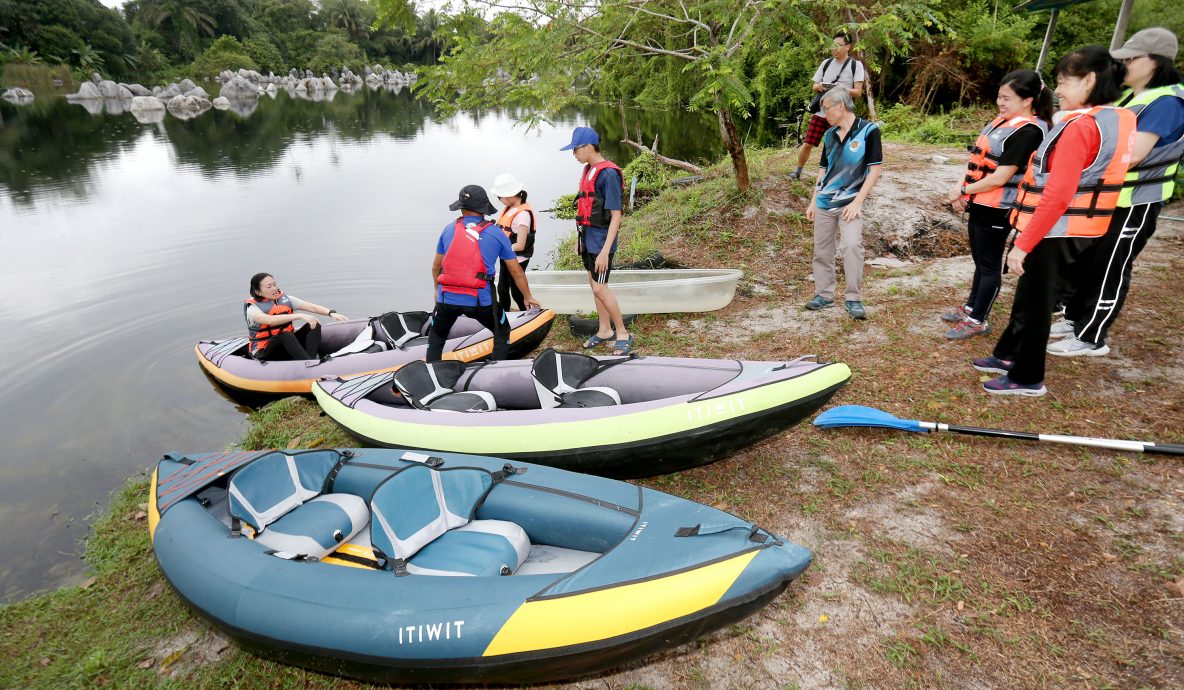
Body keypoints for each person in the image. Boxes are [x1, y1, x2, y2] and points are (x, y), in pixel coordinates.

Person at [975, 45, 1137, 396]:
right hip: (1084, 227)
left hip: (1059, 228)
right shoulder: (1116, 118)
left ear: (1090, 80)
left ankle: (1027, 377)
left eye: (1064, 81)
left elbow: (1058, 195)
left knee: (1037, 303)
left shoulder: (1080, 128)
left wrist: (1023, 243)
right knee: (1029, 297)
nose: (1058, 90)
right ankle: (1007, 354)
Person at [1051, 28, 1184, 357]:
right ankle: (1074, 318)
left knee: (1110, 266)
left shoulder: (1168, 101)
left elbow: (1134, 152)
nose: (1122, 64)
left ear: (1155, 62)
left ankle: (1091, 336)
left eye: (1130, 58)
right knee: (1087, 261)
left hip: (1135, 202)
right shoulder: (1132, 98)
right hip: (1108, 197)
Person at [943, 70, 1052, 340]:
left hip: (999, 207)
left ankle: (978, 319)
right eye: (999, 97)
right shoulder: (1001, 122)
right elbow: (976, 162)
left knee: (989, 265)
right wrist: (962, 192)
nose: (1000, 103)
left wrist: (963, 190)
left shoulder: (1028, 131)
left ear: (1027, 100)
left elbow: (1001, 177)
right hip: (980, 202)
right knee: (980, 260)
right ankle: (971, 307)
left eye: (1007, 98)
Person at [427, 184, 539, 363]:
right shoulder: (495, 233)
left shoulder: (449, 229)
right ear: (484, 210)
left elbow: (436, 267)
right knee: (502, 332)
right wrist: (527, 297)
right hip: (481, 301)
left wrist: (436, 291)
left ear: (461, 208)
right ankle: (495, 373)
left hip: (446, 298)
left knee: (436, 338)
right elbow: (516, 272)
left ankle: (430, 376)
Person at [805, 85, 883, 320]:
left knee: (851, 247)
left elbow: (874, 171)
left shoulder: (869, 131)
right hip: (825, 202)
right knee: (822, 250)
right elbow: (823, 170)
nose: (824, 114)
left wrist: (858, 202)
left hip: (850, 203)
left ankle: (853, 298)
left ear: (841, 106)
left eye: (826, 109)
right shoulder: (828, 135)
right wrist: (813, 201)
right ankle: (824, 294)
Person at [560, 126, 633, 355]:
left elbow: (616, 216)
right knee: (594, 285)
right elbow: (587, 209)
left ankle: (622, 332)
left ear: (589, 147)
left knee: (601, 287)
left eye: (576, 149)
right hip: (588, 239)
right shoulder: (589, 170)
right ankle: (604, 330)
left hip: (602, 242)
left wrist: (604, 251)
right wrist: (579, 239)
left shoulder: (608, 174)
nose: (574, 154)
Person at [791, 33, 866, 181]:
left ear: (848, 47)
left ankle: (845, 176)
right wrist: (819, 86)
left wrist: (841, 88)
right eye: (832, 45)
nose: (834, 48)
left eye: (838, 45)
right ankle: (798, 171)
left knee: (841, 147)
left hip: (842, 114)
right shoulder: (826, 63)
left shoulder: (855, 65)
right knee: (808, 144)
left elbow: (857, 92)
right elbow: (814, 86)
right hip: (822, 112)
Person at [244, 273, 349, 361]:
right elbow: (269, 320)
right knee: (286, 335)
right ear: (258, 292)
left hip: (287, 345)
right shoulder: (253, 308)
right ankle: (307, 363)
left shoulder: (286, 299)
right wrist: (298, 315)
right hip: (264, 350)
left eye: (274, 284)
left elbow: (311, 307)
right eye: (269, 286)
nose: (274, 288)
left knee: (314, 324)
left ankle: (310, 360)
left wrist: (331, 313)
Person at [491, 172, 537, 312]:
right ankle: (503, 317)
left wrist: (500, 249)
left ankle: (526, 313)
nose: (500, 200)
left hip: (517, 257)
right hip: (507, 255)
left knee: (517, 292)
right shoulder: (510, 208)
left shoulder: (523, 215)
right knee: (502, 289)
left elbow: (520, 244)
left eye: (500, 197)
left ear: (510, 195)